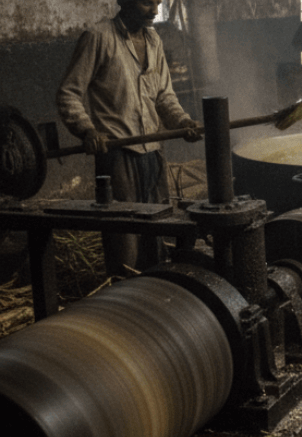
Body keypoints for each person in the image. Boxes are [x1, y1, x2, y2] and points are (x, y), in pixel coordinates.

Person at [57, 0, 202, 277]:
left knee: (158, 236)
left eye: (157, 3)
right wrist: (88, 129)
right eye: (147, 3)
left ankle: (155, 297)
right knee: (125, 245)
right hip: (118, 157)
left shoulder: (154, 40)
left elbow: (163, 95)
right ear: (124, 1)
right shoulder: (98, 38)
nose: (156, 11)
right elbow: (68, 94)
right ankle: (125, 303)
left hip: (153, 155)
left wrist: (181, 122)